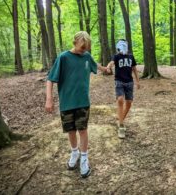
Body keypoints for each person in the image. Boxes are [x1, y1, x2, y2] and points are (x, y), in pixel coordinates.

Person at [45, 31, 107, 178]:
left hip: (83, 102)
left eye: (86, 49)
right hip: (67, 102)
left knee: (83, 130)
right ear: (74, 43)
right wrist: (49, 99)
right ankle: (75, 153)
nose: (83, 51)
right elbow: (50, 79)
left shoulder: (86, 56)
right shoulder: (63, 58)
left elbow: (95, 64)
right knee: (71, 131)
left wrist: (105, 68)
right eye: (81, 48)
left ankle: (84, 158)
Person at [106, 39, 140, 139]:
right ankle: (121, 126)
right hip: (119, 81)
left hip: (129, 82)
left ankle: (120, 119)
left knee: (129, 103)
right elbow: (111, 62)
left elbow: (134, 69)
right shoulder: (116, 56)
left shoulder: (131, 56)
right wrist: (108, 67)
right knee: (120, 100)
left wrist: (138, 81)